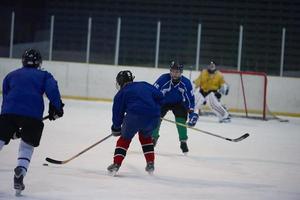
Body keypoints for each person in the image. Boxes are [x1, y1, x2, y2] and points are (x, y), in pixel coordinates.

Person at [0, 49, 64, 196]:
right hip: (32, 115)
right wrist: (57, 109)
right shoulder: (44, 75)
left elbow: (6, 97)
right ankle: (21, 170)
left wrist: (8, 123)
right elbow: (52, 90)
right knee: (27, 145)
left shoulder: (11, 75)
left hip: (8, 113)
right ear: (39, 62)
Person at [107, 70, 163, 176]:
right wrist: (154, 110)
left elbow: (117, 113)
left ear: (120, 82)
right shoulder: (145, 84)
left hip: (134, 117)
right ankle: (150, 163)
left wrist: (116, 127)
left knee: (124, 139)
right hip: (154, 117)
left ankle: (116, 164)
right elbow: (160, 97)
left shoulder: (121, 93)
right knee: (146, 138)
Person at [152, 61, 198, 154]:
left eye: (177, 72)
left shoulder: (186, 83)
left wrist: (192, 112)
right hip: (162, 102)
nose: (174, 74)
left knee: (180, 120)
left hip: (178, 103)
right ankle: (153, 137)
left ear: (181, 72)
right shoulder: (163, 79)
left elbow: (190, 99)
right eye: (172, 71)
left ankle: (183, 141)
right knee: (156, 118)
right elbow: (152, 92)